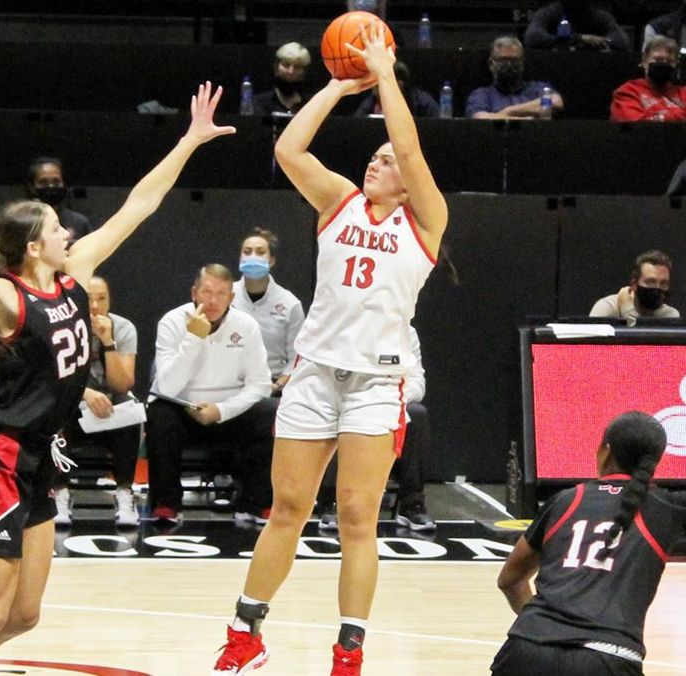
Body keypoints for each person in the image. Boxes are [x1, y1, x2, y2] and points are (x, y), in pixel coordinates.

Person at [0, 81, 234, 676]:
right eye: (58, 229)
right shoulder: (6, 295)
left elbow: (140, 204)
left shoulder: (75, 274)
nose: (70, 234)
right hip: (1, 457)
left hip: (43, 453)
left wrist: (189, 141)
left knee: (24, 616)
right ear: (35, 246)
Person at [213, 24, 447, 676]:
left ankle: (349, 653)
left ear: (410, 176)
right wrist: (340, 84)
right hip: (314, 373)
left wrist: (387, 75)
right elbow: (290, 148)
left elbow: (408, 141)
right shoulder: (339, 200)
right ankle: (245, 633)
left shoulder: (426, 220)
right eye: (371, 155)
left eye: (387, 158)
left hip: (376, 383)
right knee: (286, 507)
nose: (377, 160)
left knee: (355, 521)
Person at [492, 411, 686, 675]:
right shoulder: (668, 508)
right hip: (608, 657)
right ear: (655, 462)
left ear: (604, 451)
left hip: (526, 649)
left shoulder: (565, 501)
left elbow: (510, 580)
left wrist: (545, 628)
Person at [147, 265, 274, 525]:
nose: (213, 300)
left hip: (229, 412)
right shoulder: (172, 322)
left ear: (231, 298)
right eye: (207, 292)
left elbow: (260, 384)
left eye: (221, 293)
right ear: (194, 293)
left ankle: (256, 503)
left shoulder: (246, 326)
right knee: (159, 413)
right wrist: (194, 338)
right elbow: (165, 387)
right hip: (183, 410)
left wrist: (222, 410)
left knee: (268, 411)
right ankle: (166, 504)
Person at [317, 326, 434, 532]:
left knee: (417, 415)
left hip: (390, 401)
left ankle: (412, 504)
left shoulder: (407, 332)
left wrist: (393, 398)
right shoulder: (346, 326)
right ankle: (333, 502)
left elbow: (417, 380)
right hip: (350, 399)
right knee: (342, 413)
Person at [54, 275, 141, 527]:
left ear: (109, 301)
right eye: (88, 299)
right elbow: (53, 378)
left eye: (101, 299)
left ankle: (125, 492)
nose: (94, 306)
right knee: (56, 406)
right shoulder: (62, 327)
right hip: (73, 407)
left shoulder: (123, 328)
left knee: (128, 405)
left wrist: (107, 341)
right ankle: (59, 492)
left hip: (108, 411)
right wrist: (85, 394)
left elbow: (122, 384)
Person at [232, 228, 305, 395]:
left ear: (271, 260)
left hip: (273, 386)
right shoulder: (226, 296)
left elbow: (298, 355)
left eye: (260, 252)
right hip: (230, 386)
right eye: (247, 252)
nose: (253, 257)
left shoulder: (290, 304)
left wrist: (278, 385)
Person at [466, 37, 565, 119]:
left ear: (522, 63)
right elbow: (480, 117)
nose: (509, 65)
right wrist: (525, 119)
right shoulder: (482, 95)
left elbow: (556, 101)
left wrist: (508, 111)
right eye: (503, 60)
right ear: (491, 64)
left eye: (514, 60)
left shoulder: (537, 88)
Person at [610, 37, 686, 122]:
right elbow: (638, 127)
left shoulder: (683, 93)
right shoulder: (627, 92)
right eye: (658, 60)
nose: (663, 64)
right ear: (644, 61)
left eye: (669, 61)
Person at [590, 250, 679, 321]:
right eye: (650, 282)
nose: (657, 288)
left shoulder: (668, 315)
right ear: (634, 284)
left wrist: (628, 311)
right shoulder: (607, 308)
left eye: (663, 283)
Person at [26, 157, 94, 244]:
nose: (51, 186)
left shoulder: (79, 222)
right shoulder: (22, 223)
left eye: (56, 181)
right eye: (43, 182)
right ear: (32, 187)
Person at [524, 1, 630, 51]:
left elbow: (622, 41)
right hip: (555, 65)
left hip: (590, 67)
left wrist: (603, 42)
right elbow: (532, 38)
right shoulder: (551, 12)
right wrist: (579, 38)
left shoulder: (597, 15)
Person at [353, 60, 439, 118]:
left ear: (399, 85)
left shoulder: (424, 103)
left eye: (378, 83)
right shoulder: (371, 102)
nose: (373, 86)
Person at [252, 43, 314, 117]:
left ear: (303, 73)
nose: (290, 71)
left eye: (297, 67)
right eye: (286, 65)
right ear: (276, 68)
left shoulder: (311, 105)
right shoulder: (259, 103)